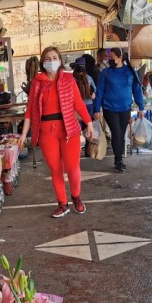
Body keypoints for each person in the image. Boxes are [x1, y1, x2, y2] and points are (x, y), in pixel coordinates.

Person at [19, 46, 93, 218]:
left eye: (54, 58)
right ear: (42, 62)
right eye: (47, 58)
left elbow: (78, 103)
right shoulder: (37, 82)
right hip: (47, 132)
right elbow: (30, 111)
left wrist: (88, 123)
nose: (51, 61)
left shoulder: (68, 79)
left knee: (73, 167)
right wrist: (24, 134)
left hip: (69, 129)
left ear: (60, 60)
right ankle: (62, 203)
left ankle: (76, 196)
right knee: (55, 169)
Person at [93, 47, 145, 172]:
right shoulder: (105, 72)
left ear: (120, 58)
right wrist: (96, 109)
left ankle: (118, 158)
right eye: (108, 57)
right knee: (116, 133)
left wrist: (141, 107)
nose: (108, 60)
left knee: (121, 134)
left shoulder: (130, 72)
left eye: (111, 58)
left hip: (125, 108)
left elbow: (136, 90)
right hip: (109, 108)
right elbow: (99, 92)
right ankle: (119, 160)